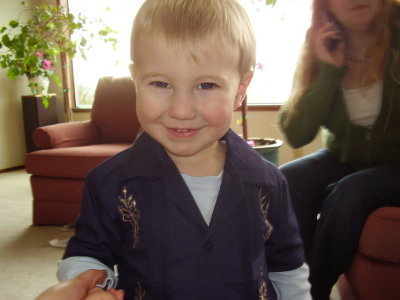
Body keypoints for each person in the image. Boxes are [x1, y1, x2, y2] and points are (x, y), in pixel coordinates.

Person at [35, 0, 312, 299]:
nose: (181, 110)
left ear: (240, 89)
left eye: (206, 85)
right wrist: (91, 283)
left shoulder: (269, 183)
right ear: (136, 81)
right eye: (160, 83)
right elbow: (87, 254)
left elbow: (287, 269)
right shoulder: (108, 183)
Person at [278, 0, 400, 299]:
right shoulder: (320, 44)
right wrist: (329, 72)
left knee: (350, 192)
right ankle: (289, 283)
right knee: (287, 179)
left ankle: (313, 292)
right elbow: (297, 133)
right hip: (345, 156)